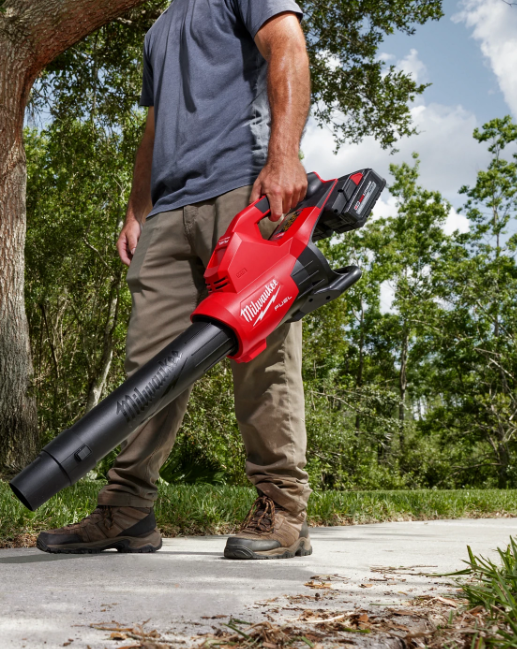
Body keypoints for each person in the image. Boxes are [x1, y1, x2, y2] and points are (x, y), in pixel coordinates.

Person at [35, 0, 313, 560]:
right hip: (169, 212)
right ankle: (128, 509)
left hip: (243, 190)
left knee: (262, 353)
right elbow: (156, 125)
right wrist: (138, 210)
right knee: (149, 366)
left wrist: (285, 157)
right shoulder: (159, 28)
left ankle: (283, 506)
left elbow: (287, 45)